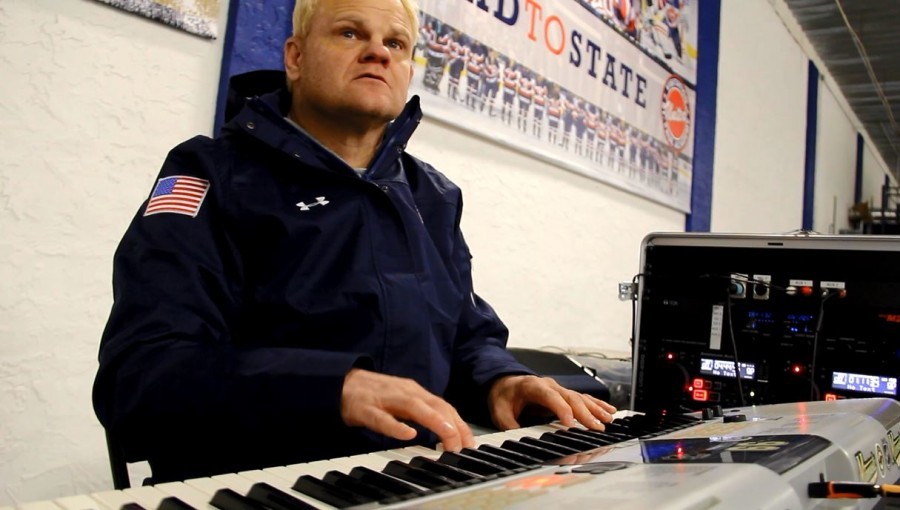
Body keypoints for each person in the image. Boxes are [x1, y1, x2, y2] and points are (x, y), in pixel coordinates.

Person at [93, 0, 617, 483]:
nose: (377, 52)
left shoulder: (432, 195)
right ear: (295, 57)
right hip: (262, 486)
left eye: (396, 44)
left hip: (414, 480)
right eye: (350, 33)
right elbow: (140, 378)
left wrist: (501, 381)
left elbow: (465, 338)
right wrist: (332, 386)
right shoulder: (214, 174)